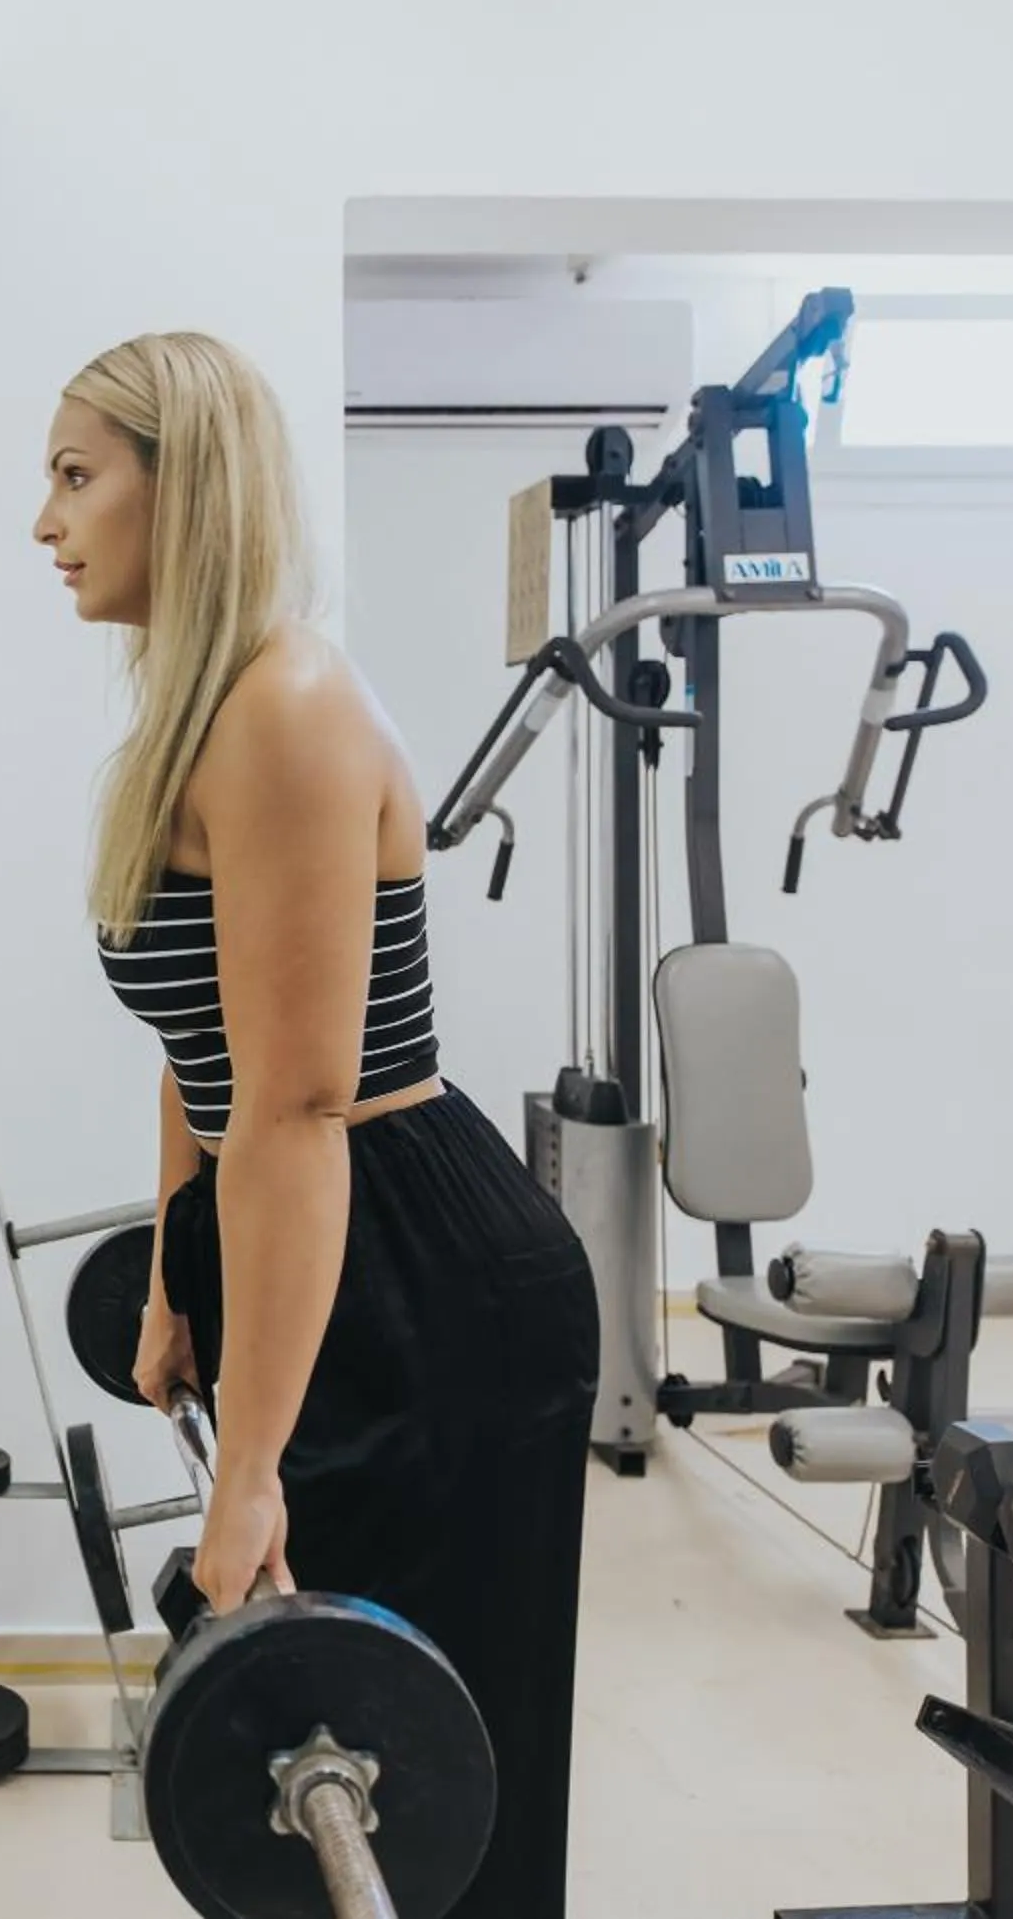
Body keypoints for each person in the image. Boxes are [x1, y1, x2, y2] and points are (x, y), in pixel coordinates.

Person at [34, 329, 602, 1919]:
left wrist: (248, 1472)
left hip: (426, 1276)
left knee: (422, 1786)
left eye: (78, 476)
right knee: (319, 1766)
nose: (46, 520)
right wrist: (172, 1278)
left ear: (184, 483)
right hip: (309, 1239)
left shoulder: (284, 709)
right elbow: (198, 1050)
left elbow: (294, 1106)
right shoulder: (195, 718)